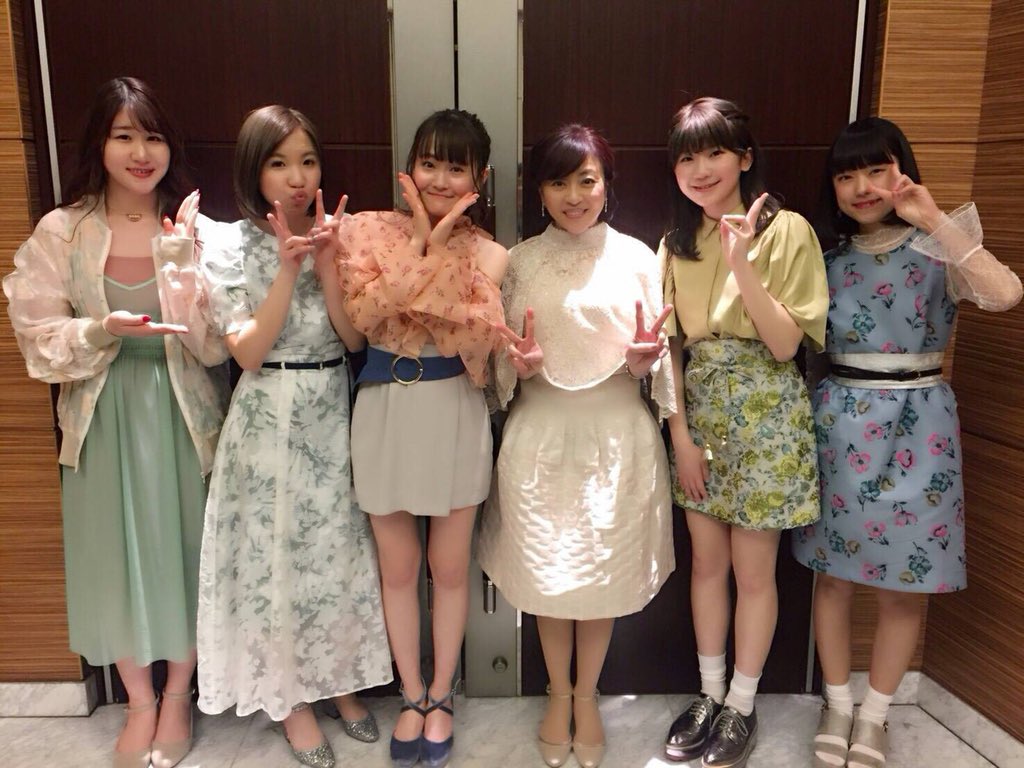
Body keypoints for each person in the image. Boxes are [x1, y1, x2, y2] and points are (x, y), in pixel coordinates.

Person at [3, 76, 228, 768]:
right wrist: (102, 329)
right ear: (98, 144)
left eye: (153, 136)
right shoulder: (64, 230)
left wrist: (184, 278)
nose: (141, 152)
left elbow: (222, 344)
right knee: (112, 557)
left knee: (187, 551)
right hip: (100, 417)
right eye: (124, 136)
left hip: (183, 412)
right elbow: (36, 335)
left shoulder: (195, 228)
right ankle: (138, 701)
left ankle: (179, 695)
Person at [791, 116, 1022, 768]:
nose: (862, 187)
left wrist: (935, 219)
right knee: (833, 576)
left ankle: (875, 715)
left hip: (922, 426)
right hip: (840, 422)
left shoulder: (938, 249)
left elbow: (1006, 293)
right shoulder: (823, 260)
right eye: (846, 175)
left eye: (877, 170)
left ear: (903, 171)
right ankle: (837, 704)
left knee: (905, 585)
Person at [195, 106, 392, 768]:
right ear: (254, 170)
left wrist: (328, 264)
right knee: (275, 558)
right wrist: (286, 268)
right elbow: (247, 352)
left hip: (332, 406)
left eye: (307, 161)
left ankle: (337, 681)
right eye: (279, 163)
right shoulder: (228, 245)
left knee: (335, 552)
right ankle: (289, 701)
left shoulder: (338, 233)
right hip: (268, 414)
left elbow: (354, 341)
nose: (298, 177)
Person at [477, 124, 676, 768]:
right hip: (539, 434)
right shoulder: (519, 261)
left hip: (617, 437)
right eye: (558, 182)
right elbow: (500, 363)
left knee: (600, 575)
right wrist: (520, 367)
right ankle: (557, 693)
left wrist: (646, 365)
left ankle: (586, 695)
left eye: (586, 180)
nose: (573, 195)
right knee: (549, 573)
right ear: (538, 190)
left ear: (606, 183)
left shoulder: (639, 258)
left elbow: (659, 357)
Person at [334, 108, 507, 768]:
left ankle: (442, 695)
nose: (439, 178)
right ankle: (411, 693)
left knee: (449, 568)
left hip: (454, 409)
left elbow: (469, 337)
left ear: (480, 178)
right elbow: (362, 317)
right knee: (399, 569)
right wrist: (426, 250)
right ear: (408, 166)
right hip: (382, 407)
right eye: (428, 162)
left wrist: (424, 265)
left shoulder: (491, 253)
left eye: (455, 167)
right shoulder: (365, 231)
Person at [659, 97, 828, 768]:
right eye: (687, 158)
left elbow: (786, 345)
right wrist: (679, 438)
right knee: (706, 565)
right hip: (700, 414)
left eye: (715, 153)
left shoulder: (787, 230)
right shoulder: (674, 241)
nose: (701, 170)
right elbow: (669, 349)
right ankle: (708, 694)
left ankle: (742, 703)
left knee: (756, 573)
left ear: (745, 158)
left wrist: (742, 263)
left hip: (767, 415)